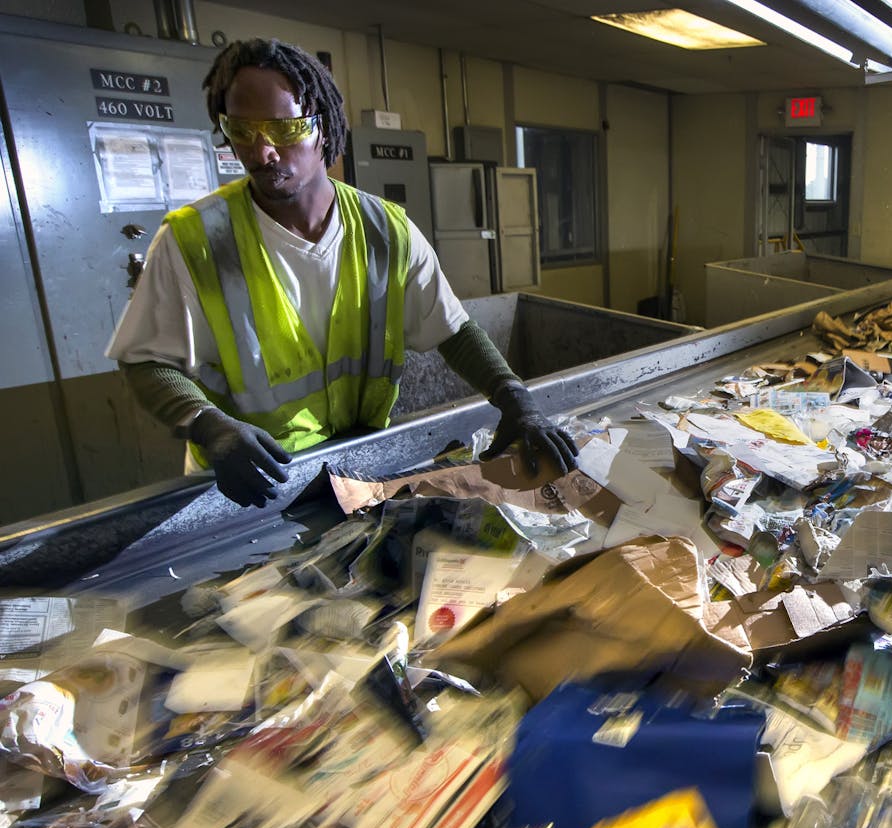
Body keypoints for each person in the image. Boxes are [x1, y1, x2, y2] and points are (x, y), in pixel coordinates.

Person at [107, 38, 577, 507]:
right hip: (247, 480)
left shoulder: (385, 231)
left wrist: (515, 397)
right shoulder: (195, 241)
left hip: (352, 468)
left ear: (325, 131)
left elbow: (452, 329)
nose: (262, 152)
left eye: (284, 129)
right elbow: (146, 360)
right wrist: (210, 427)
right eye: (242, 130)